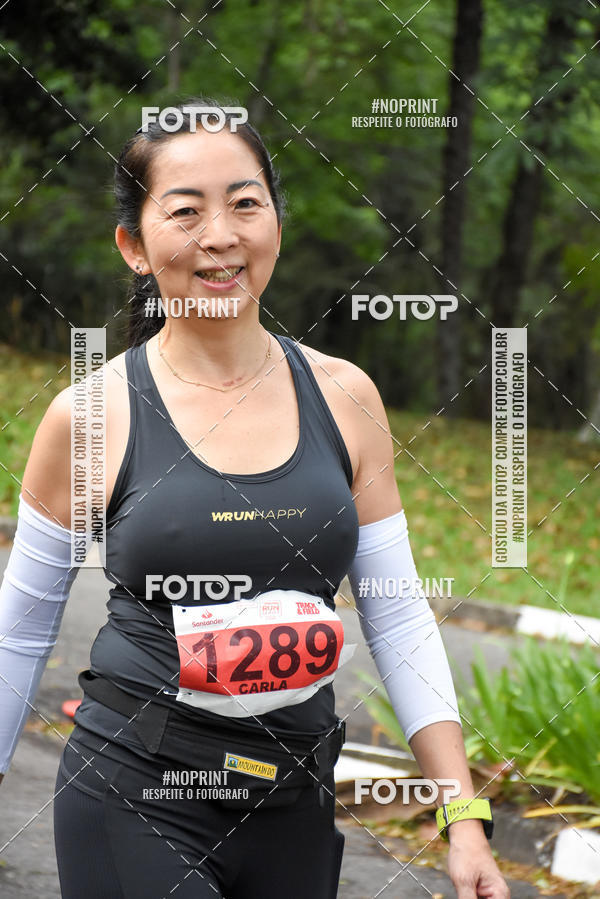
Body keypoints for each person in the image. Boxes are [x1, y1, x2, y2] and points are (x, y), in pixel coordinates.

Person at [0, 98, 510, 898]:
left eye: (245, 203)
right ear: (134, 245)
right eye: (186, 210)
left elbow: (398, 609)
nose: (221, 236)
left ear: (276, 220)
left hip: (294, 797)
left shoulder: (346, 395)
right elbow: (20, 633)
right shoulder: (93, 416)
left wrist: (463, 813)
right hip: (138, 788)